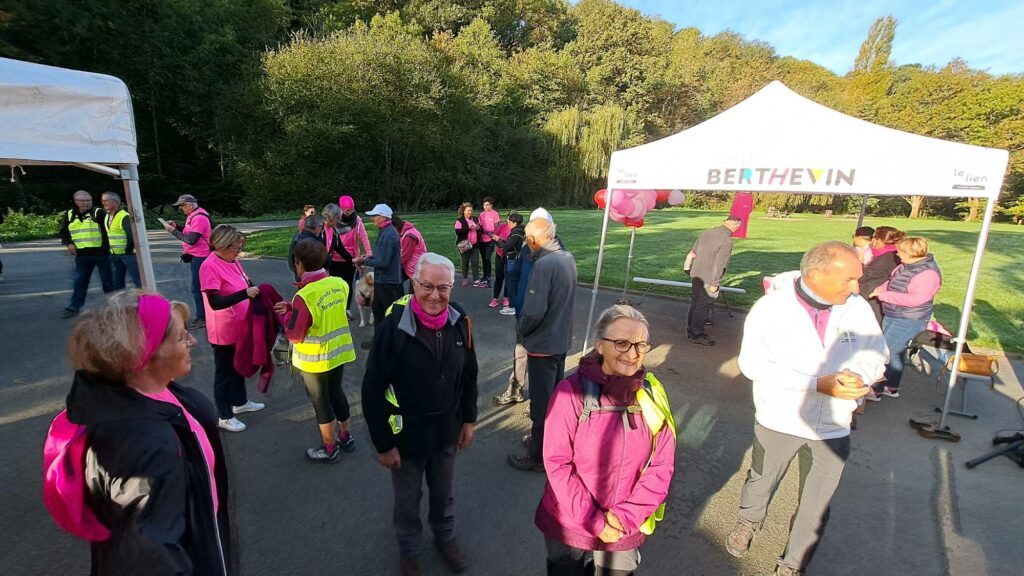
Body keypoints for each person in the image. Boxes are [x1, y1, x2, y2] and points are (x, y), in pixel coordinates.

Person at [727, 241, 887, 576]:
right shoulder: (770, 310)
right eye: (849, 280)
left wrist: (862, 376)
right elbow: (753, 365)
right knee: (761, 479)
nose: (857, 287)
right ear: (816, 275)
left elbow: (877, 352)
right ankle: (749, 520)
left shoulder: (857, 308)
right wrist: (817, 383)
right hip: (779, 418)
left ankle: (793, 562)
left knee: (817, 500)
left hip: (834, 424)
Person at [52, 291, 235, 574]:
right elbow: (147, 554)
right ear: (143, 357)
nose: (193, 341)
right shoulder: (143, 445)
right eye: (180, 337)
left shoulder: (151, 392)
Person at [361, 253, 478, 576]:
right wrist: (384, 444)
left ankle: (445, 538)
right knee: (407, 501)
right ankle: (409, 551)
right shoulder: (392, 328)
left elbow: (469, 374)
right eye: (427, 286)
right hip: (406, 436)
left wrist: (468, 419)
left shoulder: (459, 320)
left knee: (444, 494)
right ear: (414, 284)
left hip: (446, 430)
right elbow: (372, 389)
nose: (435, 295)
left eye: (444, 288)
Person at [537, 305, 675, 576]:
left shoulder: (651, 394)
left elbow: (662, 466)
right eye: (622, 343)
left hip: (624, 524)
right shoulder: (570, 393)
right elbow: (557, 463)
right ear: (599, 345)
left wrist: (625, 518)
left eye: (641, 345)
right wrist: (595, 522)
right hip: (570, 519)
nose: (633, 354)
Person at [276, 240, 358, 462]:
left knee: (321, 402)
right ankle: (345, 435)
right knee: (336, 393)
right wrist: (294, 308)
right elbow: (325, 312)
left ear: (299, 264)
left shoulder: (304, 296)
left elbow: (294, 334)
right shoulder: (340, 283)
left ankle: (329, 448)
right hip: (338, 352)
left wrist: (288, 315)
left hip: (315, 359)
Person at [508, 217, 578, 473]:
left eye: (528, 239)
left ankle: (537, 456)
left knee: (541, 402)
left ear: (534, 239)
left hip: (543, 344)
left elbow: (534, 312)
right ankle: (545, 441)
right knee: (555, 399)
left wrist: (521, 330)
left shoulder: (544, 265)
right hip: (560, 340)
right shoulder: (567, 258)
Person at [199, 225, 266, 432]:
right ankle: (224, 415)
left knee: (238, 366)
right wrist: (246, 294)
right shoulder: (209, 266)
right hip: (224, 330)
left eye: (240, 245)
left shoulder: (232, 260)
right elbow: (215, 302)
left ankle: (240, 402)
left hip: (240, 326)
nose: (240, 249)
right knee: (224, 373)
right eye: (237, 246)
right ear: (223, 245)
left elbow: (247, 282)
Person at [868, 236, 942, 400]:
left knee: (885, 352)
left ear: (911, 253)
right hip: (894, 314)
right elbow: (891, 282)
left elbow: (915, 300)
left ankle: (876, 389)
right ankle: (891, 387)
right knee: (895, 353)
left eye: (900, 251)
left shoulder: (927, 274)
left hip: (909, 319)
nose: (897, 254)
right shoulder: (906, 266)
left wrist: (885, 296)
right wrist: (879, 289)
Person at [685, 215, 742, 346]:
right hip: (709, 278)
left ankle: (690, 329)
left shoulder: (706, 232)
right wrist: (714, 284)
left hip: (696, 274)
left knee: (694, 303)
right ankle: (697, 334)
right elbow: (719, 265)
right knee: (703, 306)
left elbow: (693, 252)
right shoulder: (727, 242)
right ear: (736, 226)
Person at [59, 190, 114, 318]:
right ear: (75, 201)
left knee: (108, 282)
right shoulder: (70, 214)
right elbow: (63, 232)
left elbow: (109, 231)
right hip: (82, 255)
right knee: (80, 281)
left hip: (101, 254)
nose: (86, 203)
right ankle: (74, 307)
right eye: (83, 201)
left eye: (88, 200)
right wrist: (69, 244)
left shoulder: (98, 213)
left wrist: (108, 249)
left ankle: (113, 307)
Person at [355, 204, 403, 349]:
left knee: (387, 314)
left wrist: (364, 260)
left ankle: (388, 344)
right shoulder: (385, 231)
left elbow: (384, 262)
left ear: (383, 217)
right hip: (383, 280)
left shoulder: (388, 234)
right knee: (378, 312)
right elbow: (381, 256)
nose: (372, 219)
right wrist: (369, 256)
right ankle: (379, 341)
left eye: (375, 216)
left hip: (388, 282)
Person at [163, 194, 213, 330]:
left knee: (197, 289)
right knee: (199, 288)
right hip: (197, 257)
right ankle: (205, 315)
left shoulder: (199, 218)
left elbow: (191, 239)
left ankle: (202, 318)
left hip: (201, 257)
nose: (180, 208)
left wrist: (173, 231)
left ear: (189, 204)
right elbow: (190, 233)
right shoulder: (194, 216)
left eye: (182, 206)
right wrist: (178, 227)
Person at [858, 226, 905, 326]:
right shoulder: (886, 253)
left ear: (880, 240)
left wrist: (859, 265)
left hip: (873, 295)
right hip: (872, 291)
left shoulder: (888, 256)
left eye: (874, 237)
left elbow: (867, 275)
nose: (872, 240)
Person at [339, 195, 374, 314]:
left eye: (352, 209)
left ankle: (346, 309)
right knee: (336, 284)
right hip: (335, 258)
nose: (350, 212)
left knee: (348, 284)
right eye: (347, 210)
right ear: (341, 209)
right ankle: (336, 308)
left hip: (351, 258)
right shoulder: (335, 220)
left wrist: (368, 253)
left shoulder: (357, 220)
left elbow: (364, 237)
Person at [101, 191, 141, 290]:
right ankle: (120, 304)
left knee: (139, 282)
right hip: (115, 255)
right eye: (102, 201)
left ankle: (147, 303)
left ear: (115, 202)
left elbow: (131, 237)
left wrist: (127, 251)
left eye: (106, 201)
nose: (103, 203)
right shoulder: (107, 216)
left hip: (129, 255)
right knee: (117, 284)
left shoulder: (124, 216)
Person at [488, 210, 517, 311]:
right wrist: (497, 241)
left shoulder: (516, 230)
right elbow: (493, 236)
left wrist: (501, 241)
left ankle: (506, 298)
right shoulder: (503, 226)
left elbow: (511, 244)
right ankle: (495, 299)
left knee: (508, 278)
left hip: (509, 257)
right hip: (500, 255)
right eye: (509, 218)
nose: (510, 221)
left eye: (513, 219)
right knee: (499, 277)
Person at [393, 213, 427, 294]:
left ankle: (403, 302)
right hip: (411, 266)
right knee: (395, 279)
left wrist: (392, 264)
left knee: (413, 295)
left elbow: (405, 256)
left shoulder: (409, 236)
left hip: (416, 267)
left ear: (395, 227)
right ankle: (400, 301)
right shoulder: (405, 232)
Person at [453, 203, 482, 288]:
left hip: (475, 244)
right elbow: (458, 232)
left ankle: (476, 280)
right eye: (468, 210)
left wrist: (479, 228)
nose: (470, 212)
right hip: (464, 244)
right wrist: (469, 228)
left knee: (475, 262)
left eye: (471, 210)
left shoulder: (475, 219)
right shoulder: (459, 221)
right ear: (463, 211)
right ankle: (465, 279)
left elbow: (480, 228)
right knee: (465, 263)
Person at [289, 214, 325, 281]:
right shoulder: (311, 243)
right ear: (318, 227)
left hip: (300, 274)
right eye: (321, 227)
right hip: (309, 276)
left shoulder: (298, 236)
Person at [478, 197, 501, 287]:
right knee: (483, 259)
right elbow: (480, 225)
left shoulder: (494, 214)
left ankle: (488, 277)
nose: (485, 207)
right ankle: (484, 276)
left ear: (491, 205)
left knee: (488, 258)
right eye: (484, 205)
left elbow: (497, 226)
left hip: (490, 240)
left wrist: (492, 234)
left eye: (487, 205)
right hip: (482, 239)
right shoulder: (482, 214)